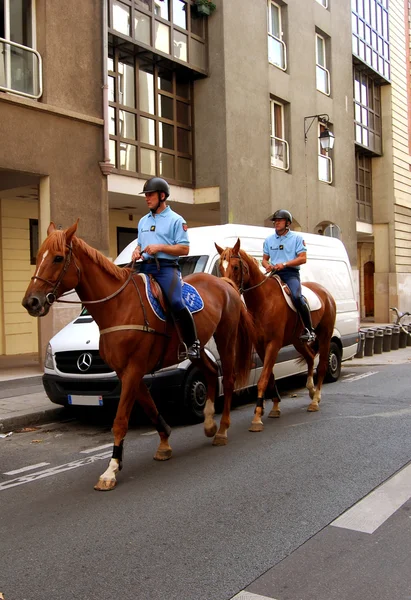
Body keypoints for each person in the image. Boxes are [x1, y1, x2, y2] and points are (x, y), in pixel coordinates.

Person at [131, 177, 201, 359]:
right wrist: (136, 251)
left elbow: (184, 248)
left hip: (166, 269)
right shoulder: (142, 221)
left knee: (176, 302)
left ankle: (193, 343)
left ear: (162, 196)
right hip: (144, 266)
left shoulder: (176, 220)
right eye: (145, 195)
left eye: (150, 194)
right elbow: (140, 244)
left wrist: (159, 247)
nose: (147, 198)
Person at [262, 209, 315, 343]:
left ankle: (309, 329)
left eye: (280, 220)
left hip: (290, 273)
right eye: (275, 221)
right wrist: (267, 265)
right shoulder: (268, 240)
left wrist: (284, 264)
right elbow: (264, 259)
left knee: (297, 297)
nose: (277, 223)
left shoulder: (297, 239)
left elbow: (303, 258)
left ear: (288, 223)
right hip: (274, 274)